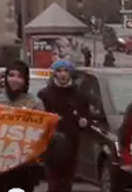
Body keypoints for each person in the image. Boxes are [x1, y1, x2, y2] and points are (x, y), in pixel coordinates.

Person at [0, 60, 44, 192]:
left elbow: (41, 131)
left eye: (19, 76)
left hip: (23, 166)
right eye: (11, 75)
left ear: (25, 80)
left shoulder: (35, 103)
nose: (15, 80)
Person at [38, 59, 90, 192]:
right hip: (51, 145)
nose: (63, 74)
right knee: (53, 184)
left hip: (72, 144)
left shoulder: (79, 95)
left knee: (67, 184)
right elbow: (40, 118)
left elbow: (86, 117)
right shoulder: (45, 94)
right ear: (54, 74)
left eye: (66, 71)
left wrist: (83, 122)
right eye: (59, 71)